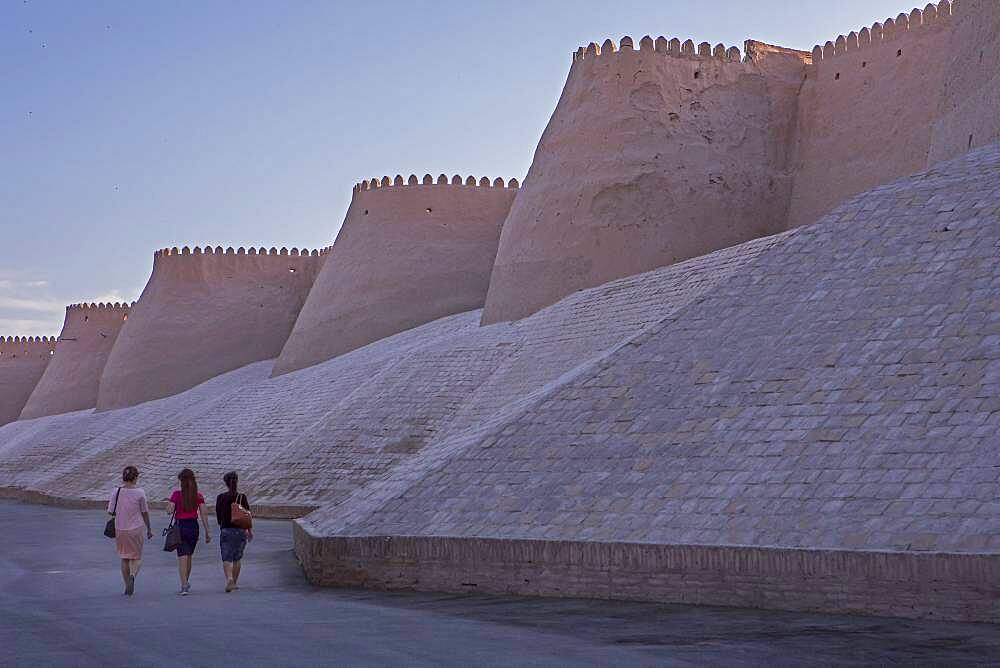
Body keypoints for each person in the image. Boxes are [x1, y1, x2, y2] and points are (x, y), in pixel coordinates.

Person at [107, 465, 153, 596]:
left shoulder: (116, 491)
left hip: (120, 528)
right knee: (136, 557)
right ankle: (133, 576)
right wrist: (149, 528)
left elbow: (110, 511)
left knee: (124, 557)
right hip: (136, 528)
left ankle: (127, 584)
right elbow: (145, 512)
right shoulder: (140, 493)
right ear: (135, 478)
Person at [166, 468, 211, 595]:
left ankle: (184, 584)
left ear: (181, 481)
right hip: (193, 527)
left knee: (182, 556)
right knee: (189, 555)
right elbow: (204, 514)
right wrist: (207, 532)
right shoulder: (198, 496)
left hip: (180, 527)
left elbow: (169, 510)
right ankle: (186, 581)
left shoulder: (176, 494)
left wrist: (168, 503)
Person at [216, 471, 253, 592]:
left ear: (226, 483)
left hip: (226, 530)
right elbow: (248, 515)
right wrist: (249, 530)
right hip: (240, 531)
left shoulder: (221, 497)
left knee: (227, 557)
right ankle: (234, 583)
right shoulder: (242, 497)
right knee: (237, 558)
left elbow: (218, 517)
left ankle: (230, 580)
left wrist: (222, 522)